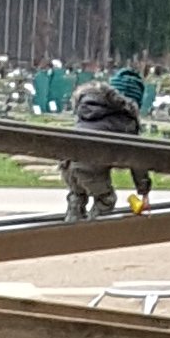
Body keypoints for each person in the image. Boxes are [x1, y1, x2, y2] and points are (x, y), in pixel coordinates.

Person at [64, 65, 155, 221]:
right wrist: (143, 190)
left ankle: (70, 225)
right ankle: (93, 231)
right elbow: (137, 160)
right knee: (106, 200)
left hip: (68, 164)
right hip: (91, 166)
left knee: (78, 196)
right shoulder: (126, 120)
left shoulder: (88, 107)